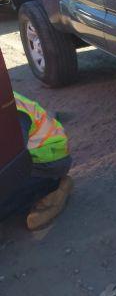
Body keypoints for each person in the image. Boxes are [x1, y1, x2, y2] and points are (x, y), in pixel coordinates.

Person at [0, 92, 73, 230]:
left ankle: (54, 187)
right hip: (27, 160)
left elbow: (14, 157)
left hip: (47, 163)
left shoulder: (8, 108)